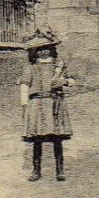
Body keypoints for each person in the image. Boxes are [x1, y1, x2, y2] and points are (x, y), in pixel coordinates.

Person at [18, 30, 74, 181]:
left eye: (46, 48)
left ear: (52, 49)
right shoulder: (30, 68)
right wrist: (24, 105)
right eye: (39, 49)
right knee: (37, 139)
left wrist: (65, 82)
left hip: (55, 104)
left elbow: (71, 80)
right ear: (34, 52)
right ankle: (36, 171)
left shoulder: (58, 66)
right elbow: (24, 86)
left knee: (57, 138)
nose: (43, 52)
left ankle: (59, 170)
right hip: (36, 105)